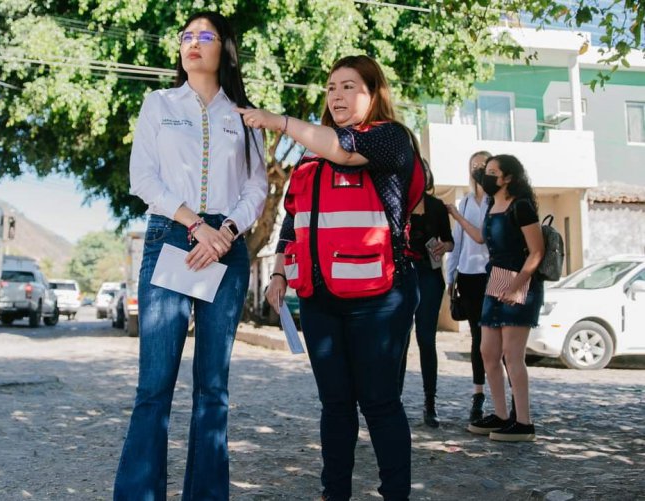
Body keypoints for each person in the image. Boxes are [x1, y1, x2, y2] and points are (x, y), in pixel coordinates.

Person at [240, 55, 425, 500]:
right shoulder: (310, 154)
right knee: (335, 405)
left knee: (380, 403)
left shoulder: (391, 139)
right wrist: (281, 271)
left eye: (349, 87)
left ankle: (396, 493)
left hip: (382, 296)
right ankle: (333, 493)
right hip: (321, 298)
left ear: (373, 93)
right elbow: (293, 219)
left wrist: (276, 120)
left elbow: (343, 148)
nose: (337, 95)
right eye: (330, 88)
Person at [113, 11, 267, 500]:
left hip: (226, 246)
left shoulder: (245, 116)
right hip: (172, 239)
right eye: (186, 36)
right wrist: (196, 225)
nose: (193, 43)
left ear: (226, 48)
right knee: (154, 387)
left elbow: (257, 186)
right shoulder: (158, 103)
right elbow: (144, 179)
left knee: (213, 392)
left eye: (206, 36)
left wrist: (224, 231)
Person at [447, 154, 544, 442]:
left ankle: (523, 421)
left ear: (508, 178)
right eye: (483, 171)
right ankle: (501, 415)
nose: (484, 176)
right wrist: (458, 217)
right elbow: (480, 239)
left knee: (512, 355)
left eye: (491, 172)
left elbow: (536, 252)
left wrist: (516, 286)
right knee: (488, 352)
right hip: (496, 278)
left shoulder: (522, 207)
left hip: (520, 278)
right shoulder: (491, 205)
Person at [399, 163, 453, 428]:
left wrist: (446, 246)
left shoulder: (437, 206)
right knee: (399, 339)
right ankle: (393, 400)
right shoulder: (398, 202)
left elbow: (450, 240)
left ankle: (429, 402)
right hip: (401, 276)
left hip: (430, 277)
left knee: (425, 339)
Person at [445, 151, 491, 423]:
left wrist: (457, 217)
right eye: (473, 165)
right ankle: (478, 395)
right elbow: (458, 242)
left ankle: (508, 397)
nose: (478, 170)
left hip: (490, 276)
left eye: (482, 166)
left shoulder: (494, 201)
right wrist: (450, 279)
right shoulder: (465, 202)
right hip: (468, 276)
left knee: (495, 339)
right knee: (477, 337)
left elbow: (481, 236)